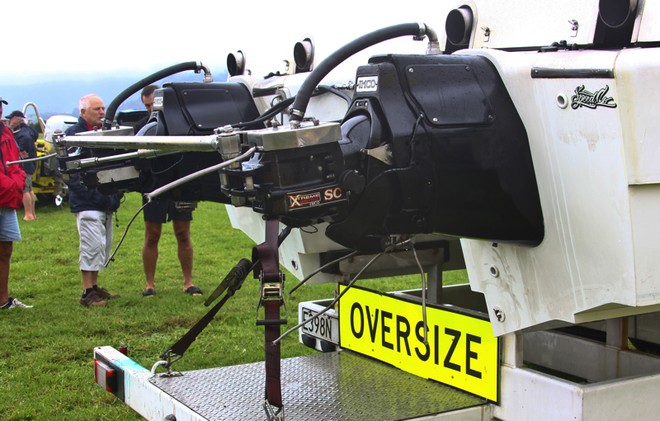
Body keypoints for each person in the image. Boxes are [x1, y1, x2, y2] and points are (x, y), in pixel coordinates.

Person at [138, 85, 202, 297]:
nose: (150, 110)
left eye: (153, 105)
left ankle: (188, 281)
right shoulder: (142, 127)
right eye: (147, 106)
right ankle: (149, 284)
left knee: (183, 233)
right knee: (152, 234)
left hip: (179, 185)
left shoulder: (180, 124)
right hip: (153, 187)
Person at [65, 94, 122, 307]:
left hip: (104, 200)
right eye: (96, 108)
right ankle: (87, 291)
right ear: (83, 112)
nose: (101, 112)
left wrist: (113, 195)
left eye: (103, 108)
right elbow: (72, 175)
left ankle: (95, 286)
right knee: (91, 245)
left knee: (102, 245)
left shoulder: (104, 134)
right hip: (87, 201)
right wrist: (95, 196)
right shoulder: (74, 136)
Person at [0, 97, 32, 309]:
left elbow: (16, 164)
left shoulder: (6, 133)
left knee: (6, 249)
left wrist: (17, 182)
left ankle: (3, 299)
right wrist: (11, 184)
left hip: (6, 199)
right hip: (6, 191)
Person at [6, 110, 38, 221]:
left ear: (18, 118)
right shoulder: (28, 130)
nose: (10, 121)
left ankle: (28, 214)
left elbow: (21, 148)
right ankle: (33, 214)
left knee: (25, 189)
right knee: (29, 188)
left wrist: (20, 151)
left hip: (25, 164)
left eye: (11, 118)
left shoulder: (23, 134)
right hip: (31, 163)